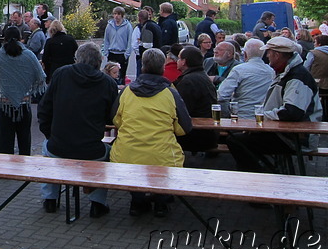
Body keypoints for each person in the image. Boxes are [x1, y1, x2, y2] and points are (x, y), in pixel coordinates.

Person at [110, 48, 192, 217]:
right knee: (168, 160)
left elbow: (115, 119)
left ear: (143, 66)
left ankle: (138, 200)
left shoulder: (127, 91)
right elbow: (185, 128)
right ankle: (161, 201)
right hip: (162, 155)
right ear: (163, 67)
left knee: (131, 160)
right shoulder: (170, 92)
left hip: (126, 154)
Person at [38, 42, 116, 217]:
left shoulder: (60, 74)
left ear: (77, 59)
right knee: (108, 154)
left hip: (59, 145)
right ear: (99, 62)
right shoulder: (108, 83)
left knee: (48, 150)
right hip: (91, 150)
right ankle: (97, 203)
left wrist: (50, 134)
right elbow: (113, 117)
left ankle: (50, 198)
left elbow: (44, 109)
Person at [227, 36, 322, 172]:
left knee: (236, 141)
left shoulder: (297, 77)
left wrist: (263, 116)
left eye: (269, 53)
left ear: (277, 55)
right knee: (240, 138)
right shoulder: (288, 72)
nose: (267, 56)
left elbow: (292, 112)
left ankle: (262, 175)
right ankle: (262, 172)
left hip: (297, 139)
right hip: (287, 134)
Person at [0, 26, 45, 156]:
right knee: (24, 138)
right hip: (24, 103)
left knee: (5, 140)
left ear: (5, 39)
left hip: (5, 104)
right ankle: (24, 168)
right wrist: (29, 85)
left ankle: (5, 171)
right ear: (21, 38)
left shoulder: (0, 54)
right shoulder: (29, 54)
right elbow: (40, 75)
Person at [174, 46, 219, 153]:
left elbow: (181, 111)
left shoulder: (189, 81)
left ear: (184, 62)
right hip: (209, 133)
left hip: (197, 135)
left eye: (179, 58)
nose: (177, 61)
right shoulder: (202, 76)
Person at [217, 38, 274, 119]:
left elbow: (222, 95)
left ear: (245, 54)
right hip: (263, 116)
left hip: (241, 117)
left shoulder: (239, 70)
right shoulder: (271, 71)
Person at [101, 7, 132, 82]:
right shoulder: (109, 25)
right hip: (111, 53)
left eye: (118, 14)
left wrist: (126, 55)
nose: (116, 16)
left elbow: (130, 41)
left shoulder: (127, 26)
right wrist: (105, 52)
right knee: (109, 76)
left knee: (121, 76)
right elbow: (106, 40)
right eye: (115, 14)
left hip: (122, 53)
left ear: (122, 15)